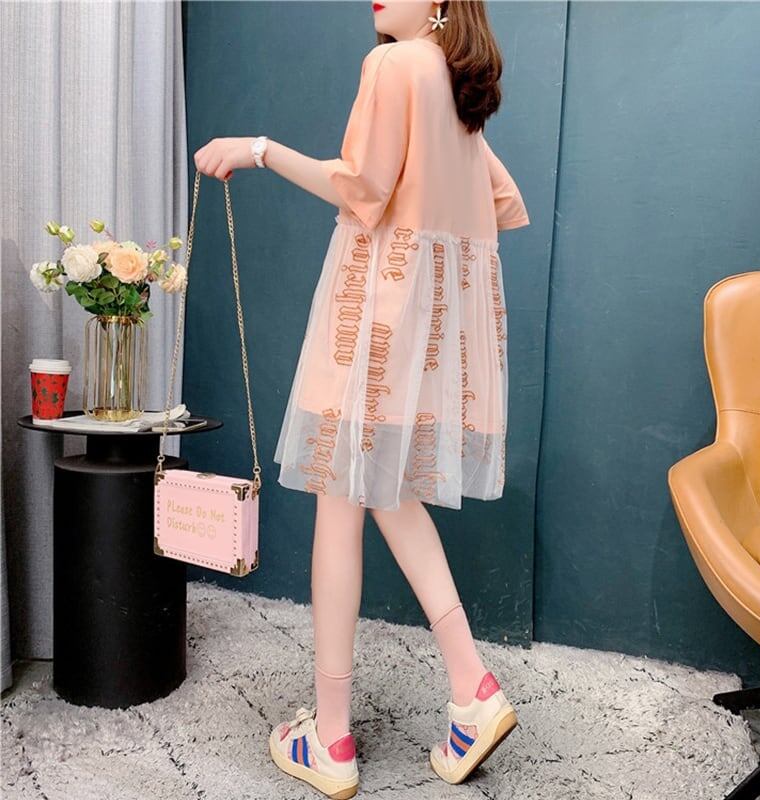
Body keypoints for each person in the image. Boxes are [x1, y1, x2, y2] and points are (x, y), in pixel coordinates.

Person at [194, 1, 530, 796]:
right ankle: (470, 688)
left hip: (370, 318)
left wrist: (260, 150)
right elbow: (500, 201)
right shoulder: (452, 81)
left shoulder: (394, 64)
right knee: (381, 496)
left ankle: (334, 736)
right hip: (421, 334)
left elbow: (361, 186)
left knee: (340, 505)